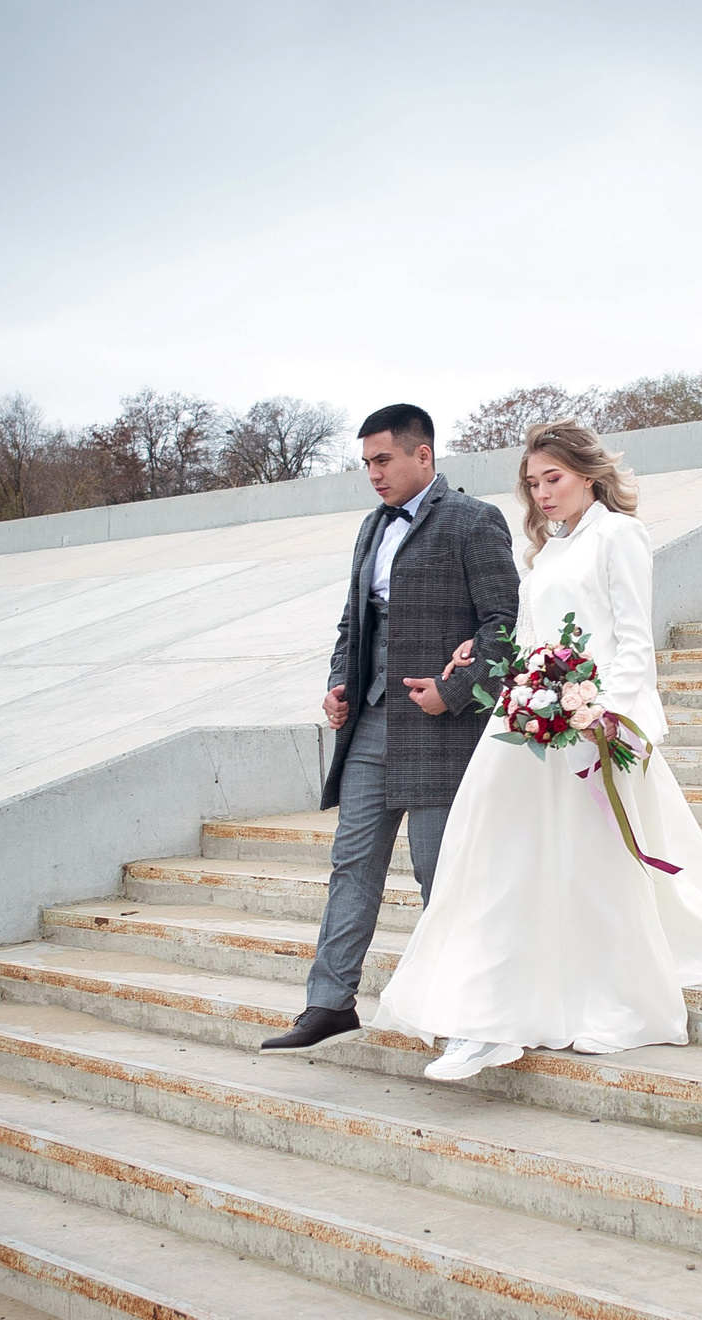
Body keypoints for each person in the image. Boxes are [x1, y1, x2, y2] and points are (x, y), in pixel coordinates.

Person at [374, 419, 702, 1079]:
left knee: (591, 870)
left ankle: (593, 998)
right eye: (532, 484)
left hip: (594, 724)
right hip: (528, 726)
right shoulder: (546, 552)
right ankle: (482, 1017)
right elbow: (532, 640)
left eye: (552, 478)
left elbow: (630, 638)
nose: (541, 494)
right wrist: (493, 667)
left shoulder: (620, 535)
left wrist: (607, 718)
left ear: (588, 474)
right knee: (496, 866)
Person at [258, 403, 520, 1053]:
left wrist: (455, 691)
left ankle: (460, 1015)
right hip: (371, 725)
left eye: (383, 460)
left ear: (422, 455)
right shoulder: (371, 527)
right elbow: (354, 623)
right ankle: (328, 1004)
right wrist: (338, 683)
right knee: (352, 866)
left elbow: (505, 626)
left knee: (442, 877)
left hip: (442, 730)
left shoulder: (473, 521)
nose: (372, 475)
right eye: (366, 464)